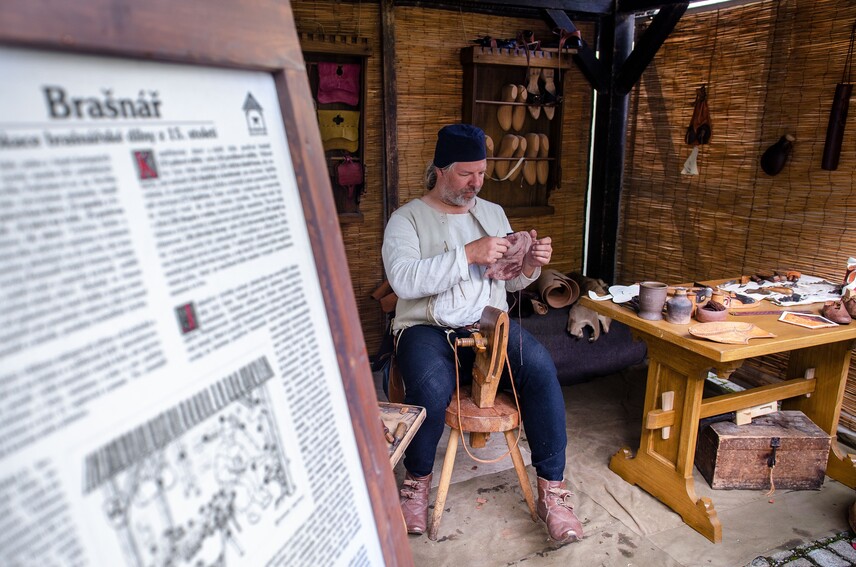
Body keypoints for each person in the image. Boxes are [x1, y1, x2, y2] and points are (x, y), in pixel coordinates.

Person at [381, 124, 583, 543]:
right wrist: (468, 254)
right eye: (465, 174)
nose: (475, 183)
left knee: (541, 369)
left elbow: (508, 282)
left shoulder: (492, 213)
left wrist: (530, 265)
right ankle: (417, 483)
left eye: (481, 173)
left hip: (487, 325)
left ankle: (553, 492)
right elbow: (403, 280)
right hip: (426, 328)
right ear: (440, 170)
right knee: (429, 387)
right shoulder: (406, 219)